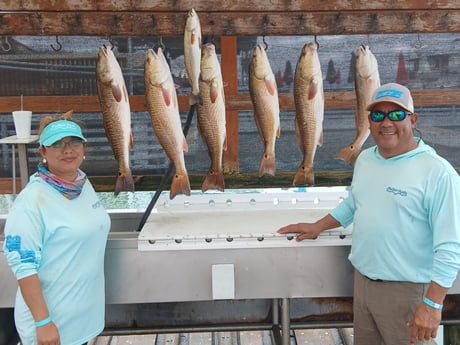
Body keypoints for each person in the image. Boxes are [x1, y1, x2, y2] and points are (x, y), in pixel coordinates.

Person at [278, 83, 460, 345]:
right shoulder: (366, 159)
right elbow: (354, 203)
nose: (386, 122)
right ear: (369, 121)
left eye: (396, 115)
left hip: (408, 293)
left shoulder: (438, 173)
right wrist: (318, 225)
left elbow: (450, 248)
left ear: (413, 119)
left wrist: (432, 304)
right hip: (363, 285)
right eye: (378, 115)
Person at [3, 112, 111, 345]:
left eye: (73, 142)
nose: (68, 150)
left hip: (83, 319)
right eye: (57, 144)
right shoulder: (31, 200)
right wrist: (43, 323)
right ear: (43, 151)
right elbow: (24, 267)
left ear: (84, 147)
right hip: (51, 327)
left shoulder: (82, 184)